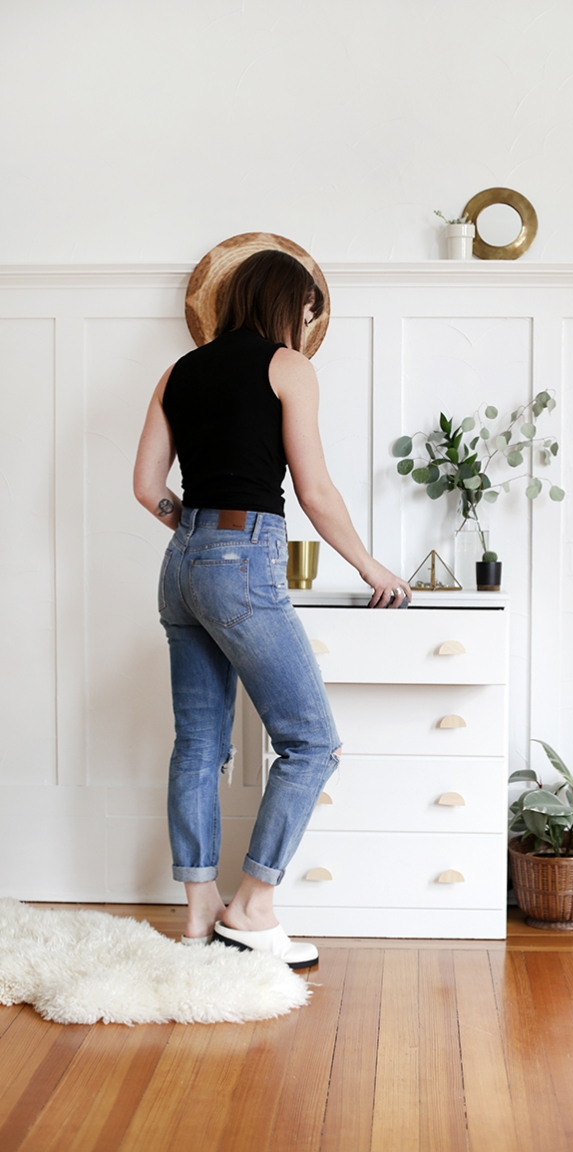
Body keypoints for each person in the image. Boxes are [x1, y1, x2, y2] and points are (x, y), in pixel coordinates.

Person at [133, 249, 411, 968]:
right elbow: (315, 493)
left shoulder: (178, 371)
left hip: (180, 565)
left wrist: (194, 532)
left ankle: (197, 916)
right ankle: (251, 906)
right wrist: (370, 564)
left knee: (198, 743)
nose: (309, 326)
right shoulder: (288, 366)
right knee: (311, 743)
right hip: (242, 560)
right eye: (308, 311)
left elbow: (145, 486)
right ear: (290, 304)